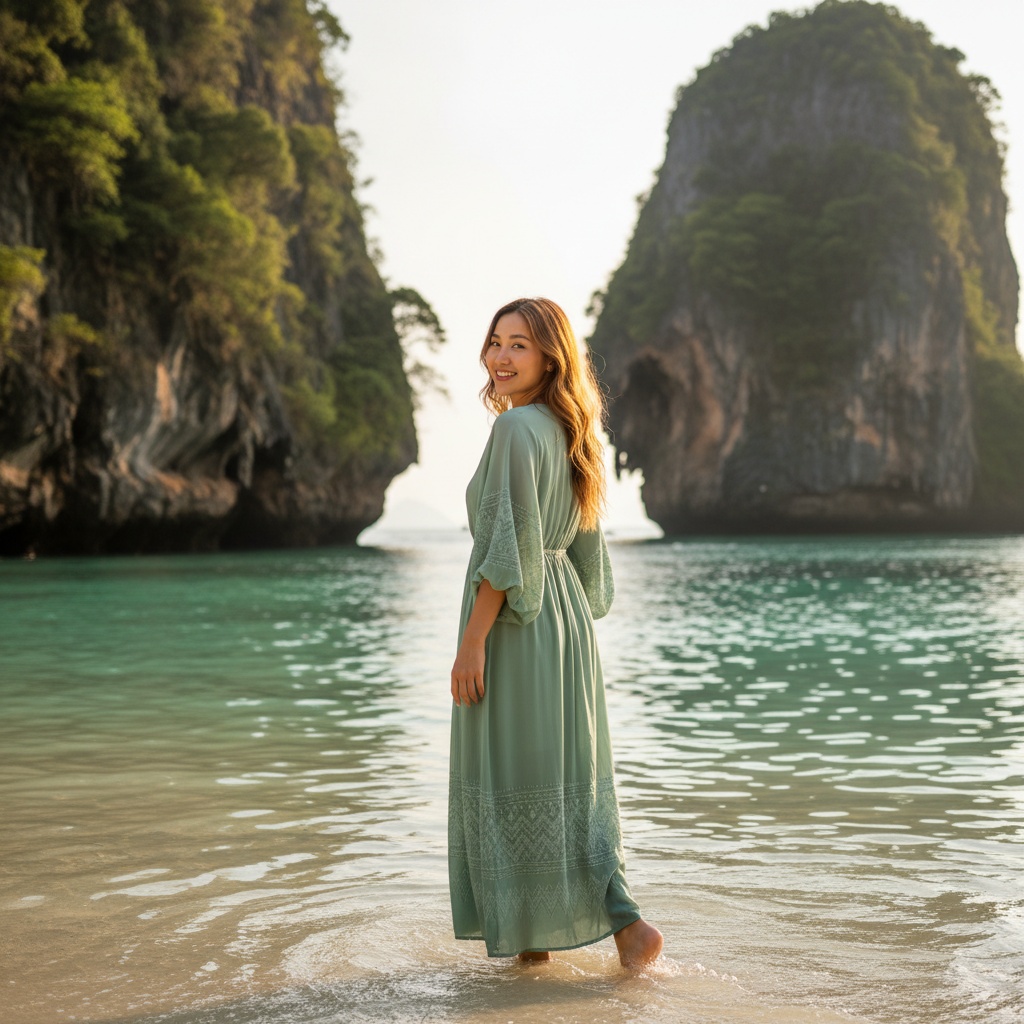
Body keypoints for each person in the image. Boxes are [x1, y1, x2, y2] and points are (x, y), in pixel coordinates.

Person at [448, 297, 663, 967]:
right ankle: (578, 936)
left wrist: (472, 643)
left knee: (513, 774)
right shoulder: (575, 433)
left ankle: (617, 929)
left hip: (517, 620)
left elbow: (506, 549)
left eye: (519, 344)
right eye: (496, 342)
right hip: (563, 620)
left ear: (551, 357)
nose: (501, 356)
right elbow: (584, 553)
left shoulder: (516, 430)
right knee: (564, 776)